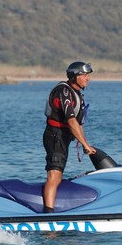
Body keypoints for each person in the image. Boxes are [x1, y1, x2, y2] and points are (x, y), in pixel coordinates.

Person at [42, 61, 97, 213]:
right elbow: (71, 121)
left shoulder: (77, 93)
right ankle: (48, 214)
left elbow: (78, 124)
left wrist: (85, 143)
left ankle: (50, 209)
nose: (88, 78)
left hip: (62, 138)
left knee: (58, 176)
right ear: (74, 77)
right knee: (54, 175)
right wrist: (84, 145)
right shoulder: (63, 92)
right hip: (55, 136)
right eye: (85, 75)